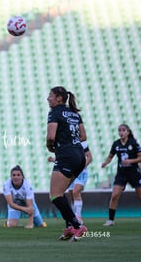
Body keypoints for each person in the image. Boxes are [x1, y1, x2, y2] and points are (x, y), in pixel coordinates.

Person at [46, 86, 87, 242]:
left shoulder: (55, 112)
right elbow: (83, 136)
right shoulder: (75, 113)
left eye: (50, 95)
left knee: (55, 195)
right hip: (80, 155)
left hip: (66, 155)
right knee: (61, 193)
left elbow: (51, 136)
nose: (48, 98)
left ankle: (77, 226)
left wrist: (49, 146)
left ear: (59, 98)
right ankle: (70, 227)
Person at [101, 123, 141, 226]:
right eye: (119, 130)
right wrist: (106, 162)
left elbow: (140, 157)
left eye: (123, 130)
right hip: (121, 173)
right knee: (114, 196)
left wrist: (130, 161)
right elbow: (110, 156)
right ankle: (110, 220)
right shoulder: (116, 144)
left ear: (128, 132)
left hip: (134, 173)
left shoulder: (134, 143)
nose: (121, 132)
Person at [48, 141, 92, 224]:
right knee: (71, 194)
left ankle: (78, 217)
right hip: (69, 170)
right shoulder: (64, 143)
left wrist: (81, 167)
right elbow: (63, 160)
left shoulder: (82, 143)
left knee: (76, 191)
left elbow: (89, 157)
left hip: (81, 171)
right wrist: (53, 160)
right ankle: (73, 217)